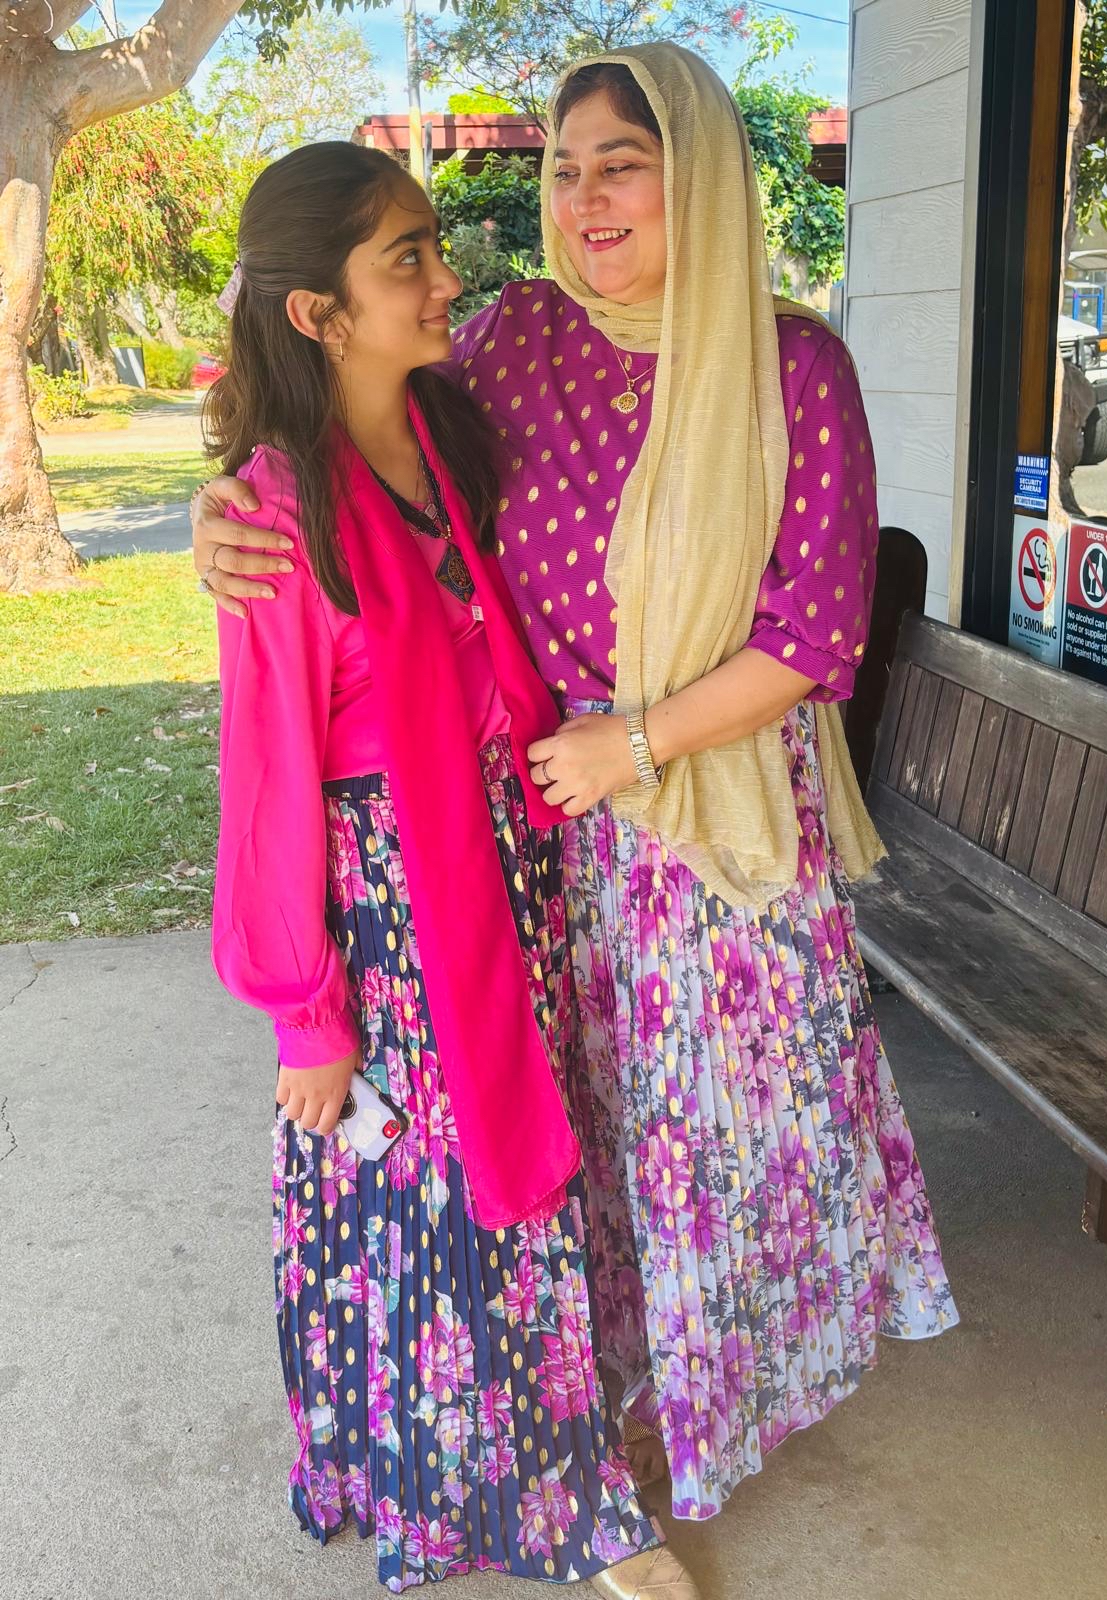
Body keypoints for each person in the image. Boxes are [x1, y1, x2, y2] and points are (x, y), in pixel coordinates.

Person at [194, 47, 958, 1528]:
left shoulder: (792, 362)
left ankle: (707, 1409)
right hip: (538, 830)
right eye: (561, 164)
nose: (583, 193)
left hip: (708, 813)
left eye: (623, 160)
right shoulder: (510, 341)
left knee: (709, 1140)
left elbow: (819, 633)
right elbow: (348, 432)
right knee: (591, 1143)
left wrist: (641, 743)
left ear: (705, 176)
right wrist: (221, 505)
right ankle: (594, 1403)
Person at [204, 138, 696, 1599]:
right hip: (383, 904)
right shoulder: (274, 511)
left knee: (520, 1190)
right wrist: (306, 1012)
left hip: (504, 870)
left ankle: (556, 1473)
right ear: (316, 312)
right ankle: (499, 1493)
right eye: (404, 258)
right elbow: (270, 778)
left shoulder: (450, 427)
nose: (445, 276)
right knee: (425, 1211)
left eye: (435, 245)